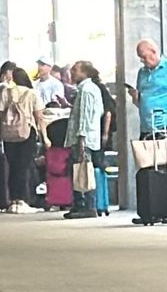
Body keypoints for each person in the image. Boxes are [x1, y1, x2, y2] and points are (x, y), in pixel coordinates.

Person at [0, 67, 48, 214]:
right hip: (27, 132)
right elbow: (40, 117)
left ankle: (13, 200)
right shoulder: (32, 93)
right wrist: (45, 137)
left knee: (12, 166)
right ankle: (23, 200)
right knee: (24, 166)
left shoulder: (6, 92)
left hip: (9, 133)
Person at [129, 39, 167, 165]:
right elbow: (141, 103)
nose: (143, 61)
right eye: (140, 58)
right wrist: (135, 97)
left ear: (154, 52)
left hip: (166, 124)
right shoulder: (142, 73)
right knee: (147, 164)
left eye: (144, 57)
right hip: (147, 126)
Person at [63, 61, 105, 220]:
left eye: (75, 70)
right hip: (86, 136)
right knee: (80, 169)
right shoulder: (88, 89)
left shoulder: (87, 90)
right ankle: (80, 204)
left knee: (83, 169)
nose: (71, 73)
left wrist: (81, 137)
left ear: (85, 72)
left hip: (83, 138)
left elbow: (85, 116)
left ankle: (87, 205)